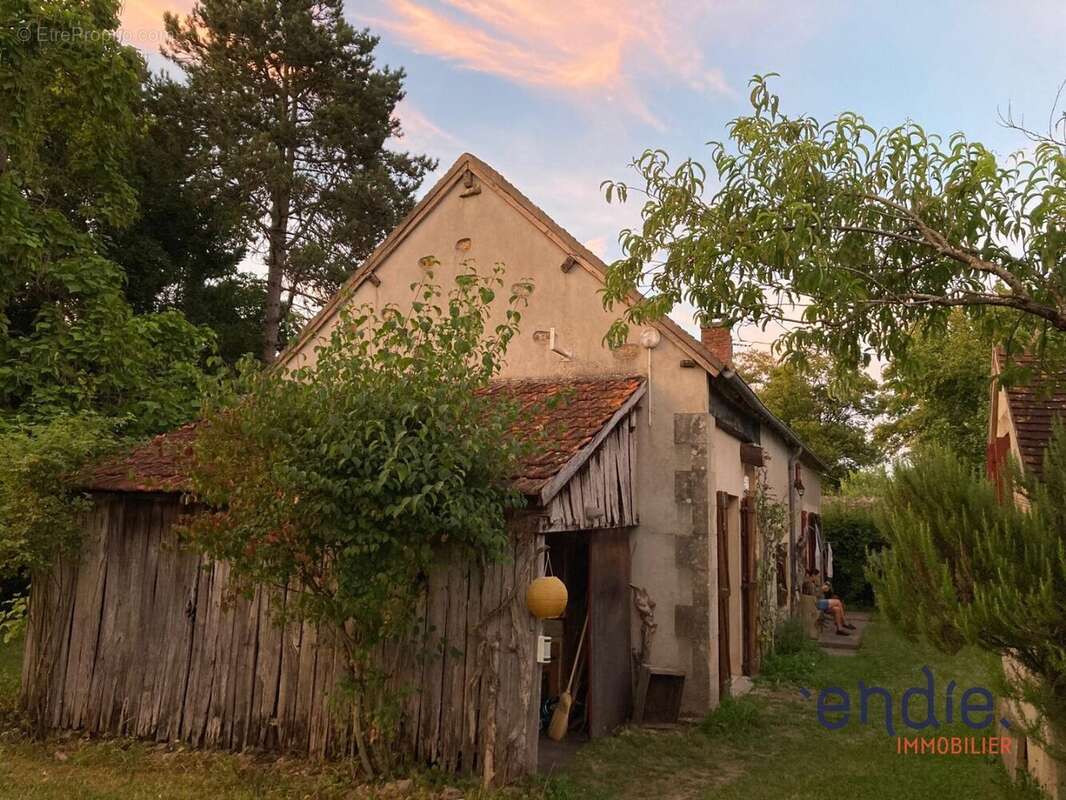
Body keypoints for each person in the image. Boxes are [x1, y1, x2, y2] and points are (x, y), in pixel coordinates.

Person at [802, 568, 855, 636]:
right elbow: (814, 596)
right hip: (816, 603)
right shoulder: (809, 583)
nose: (818, 578)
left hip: (819, 602)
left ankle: (839, 629)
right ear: (813, 576)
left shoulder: (813, 583)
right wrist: (821, 590)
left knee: (837, 609)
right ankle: (844, 622)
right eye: (817, 576)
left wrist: (823, 589)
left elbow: (818, 593)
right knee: (838, 602)